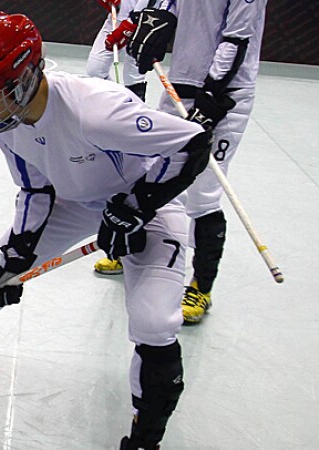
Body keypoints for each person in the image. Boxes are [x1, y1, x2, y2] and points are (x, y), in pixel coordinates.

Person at [0, 12, 224, 449]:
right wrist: (17, 254)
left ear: (25, 78)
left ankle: (145, 439)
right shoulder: (6, 117)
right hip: (75, 201)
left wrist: (136, 207)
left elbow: (191, 144)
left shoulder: (96, 112)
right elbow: (34, 186)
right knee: (3, 264)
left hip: (148, 202)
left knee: (153, 323)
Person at [114, 0, 265, 324]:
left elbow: (237, 38)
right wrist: (150, 23)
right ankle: (133, 245)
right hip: (179, 85)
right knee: (153, 171)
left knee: (202, 193)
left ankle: (201, 286)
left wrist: (210, 98)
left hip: (226, 95)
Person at [87, 0, 151, 277]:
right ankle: (107, 117)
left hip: (142, 22)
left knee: (133, 75)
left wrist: (134, 20)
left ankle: (132, 124)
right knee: (94, 69)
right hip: (116, 17)